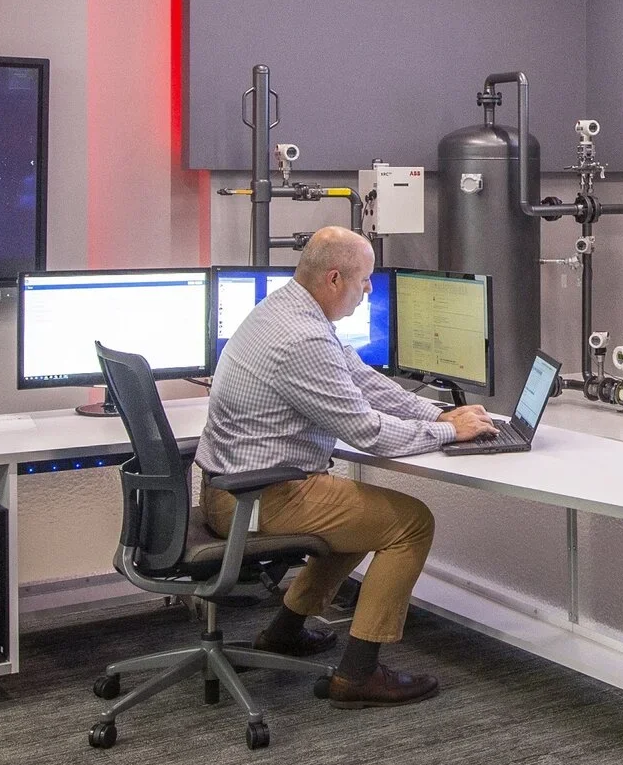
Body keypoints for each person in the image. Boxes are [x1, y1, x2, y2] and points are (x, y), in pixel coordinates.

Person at [195, 226, 494, 707]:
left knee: (360, 516)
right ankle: (358, 674)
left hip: (232, 491)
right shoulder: (302, 339)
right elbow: (367, 432)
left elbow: (362, 382)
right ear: (335, 279)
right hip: (254, 500)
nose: (370, 290)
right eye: (365, 281)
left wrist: (437, 414)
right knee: (410, 524)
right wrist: (449, 433)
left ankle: (284, 632)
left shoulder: (286, 310)